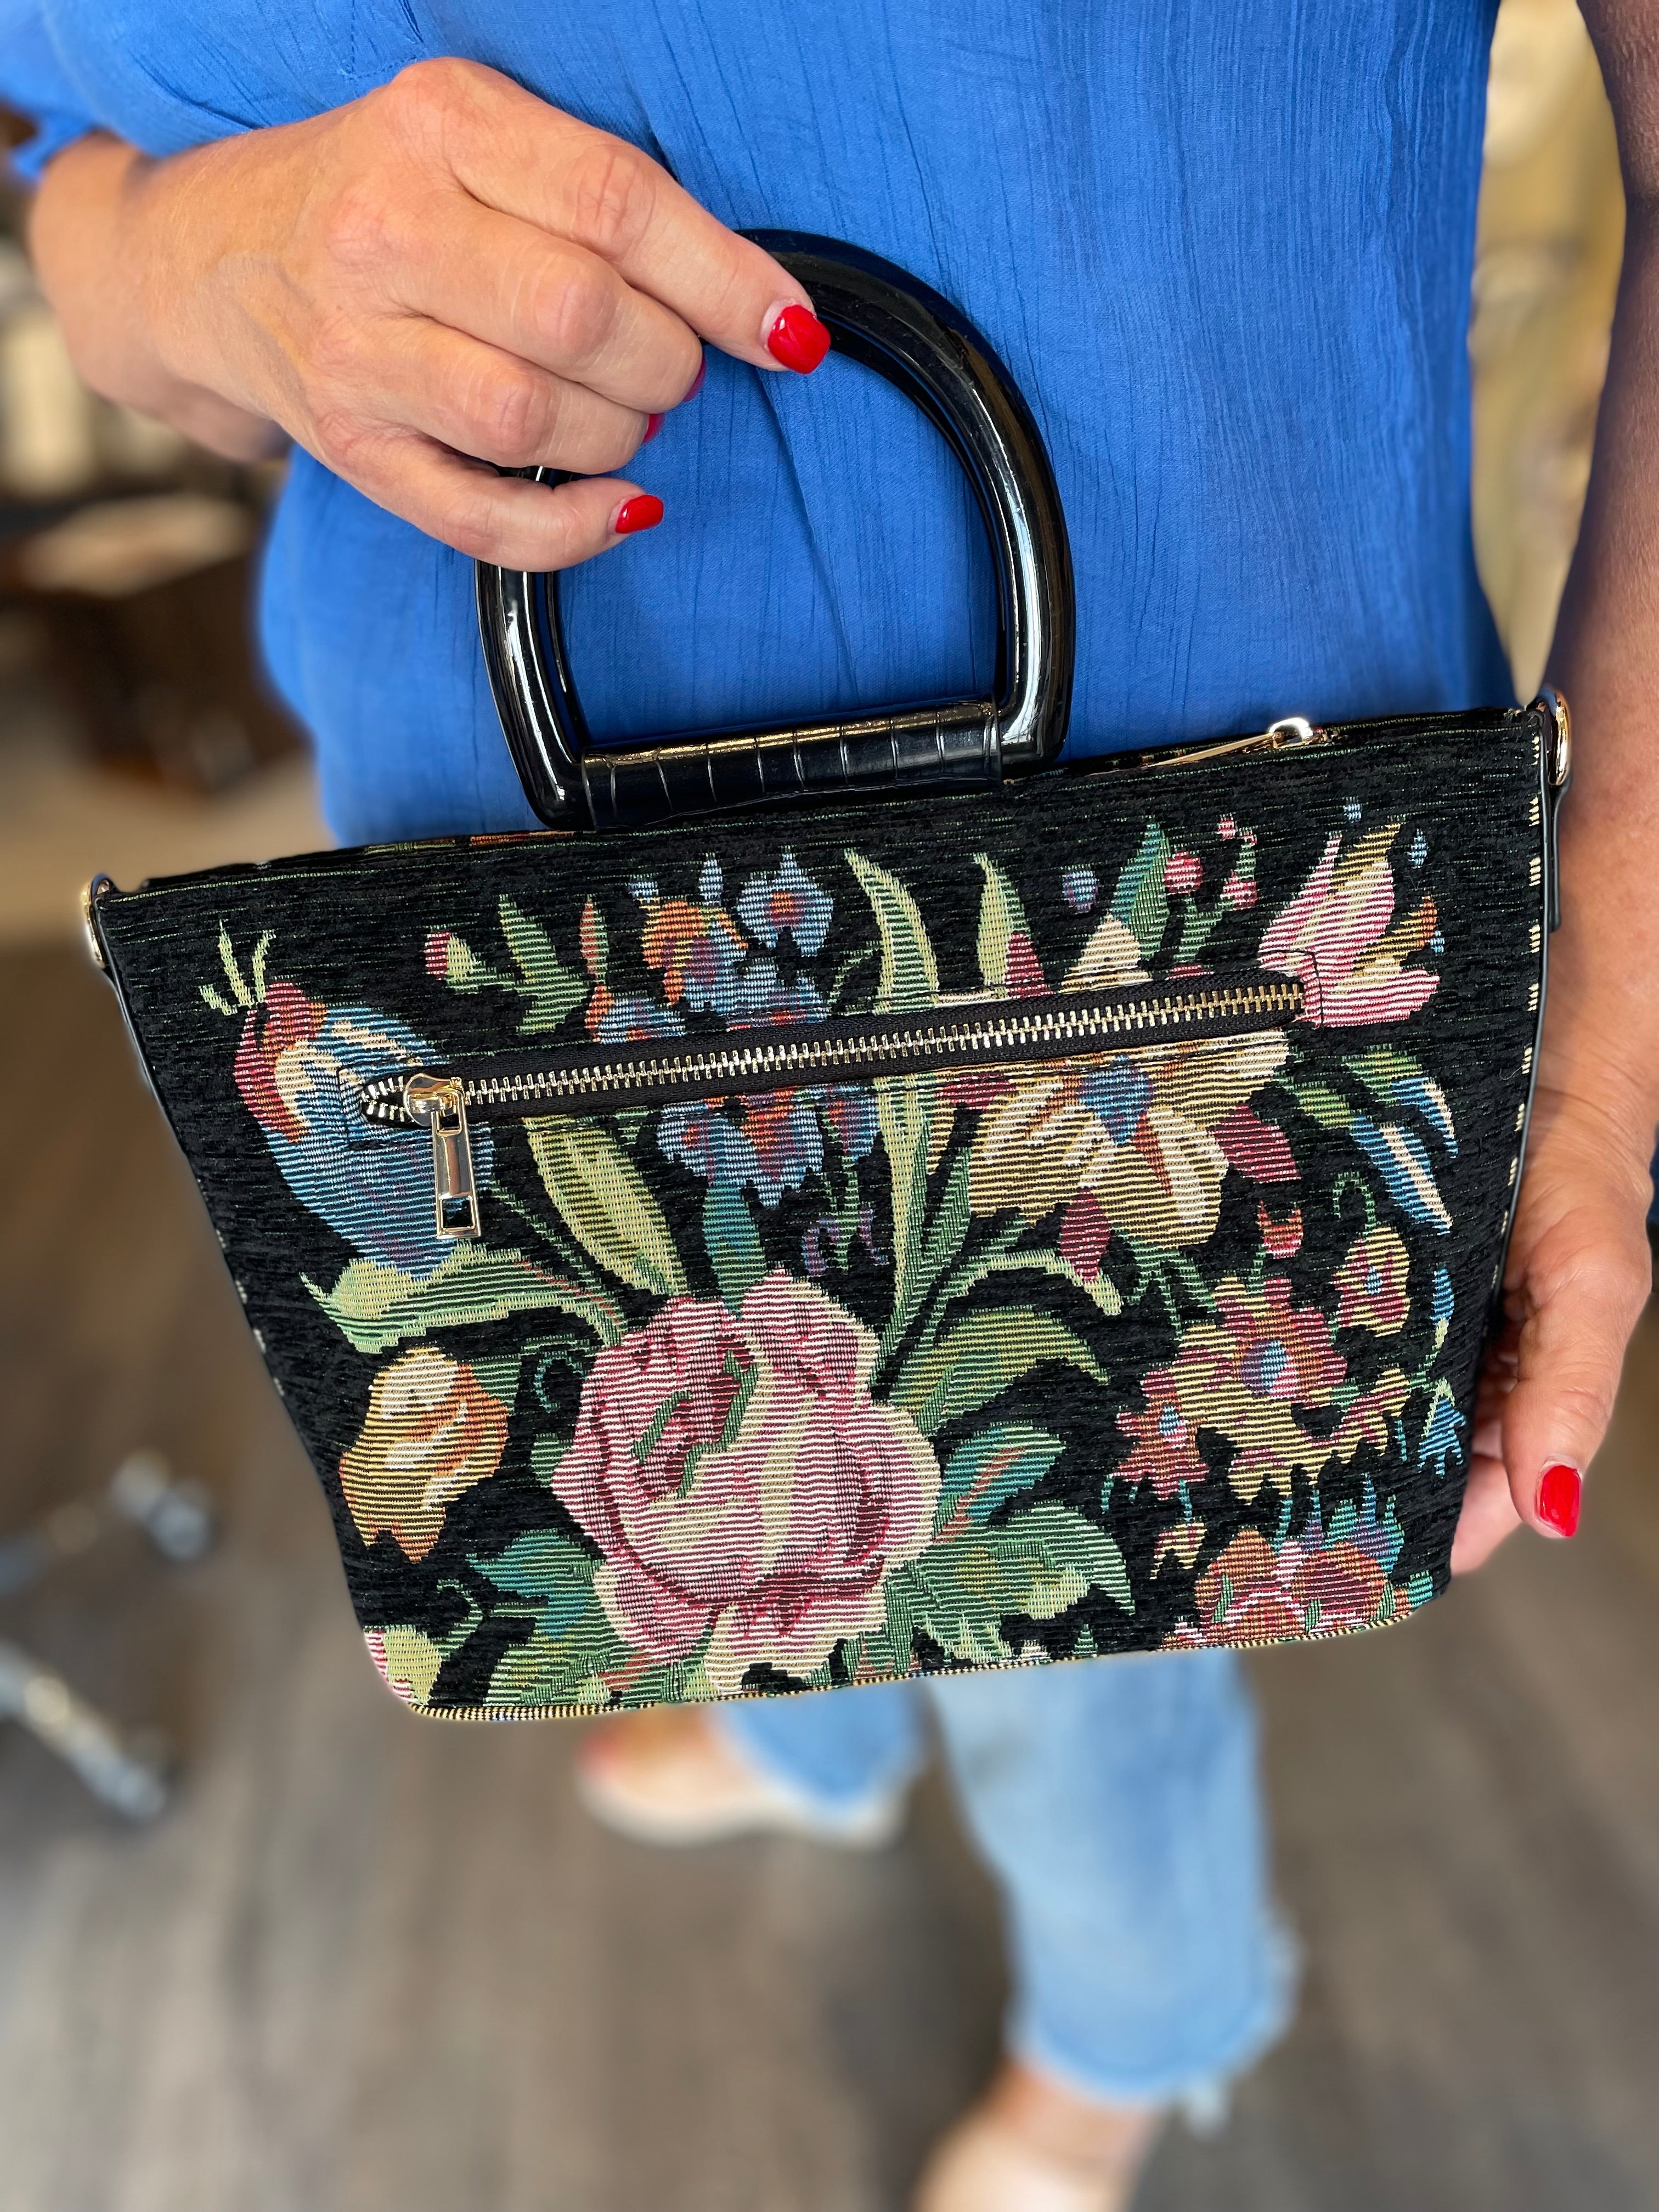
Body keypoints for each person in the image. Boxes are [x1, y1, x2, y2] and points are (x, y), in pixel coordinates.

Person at [6, 6, 1656, 2205]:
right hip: (487, 874)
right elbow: (69, 166)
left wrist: (1611, 971)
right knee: (704, 1416)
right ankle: (830, 1741)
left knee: (1084, 1556)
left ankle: (1138, 2020)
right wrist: (185, 251)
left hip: (1168, 889)